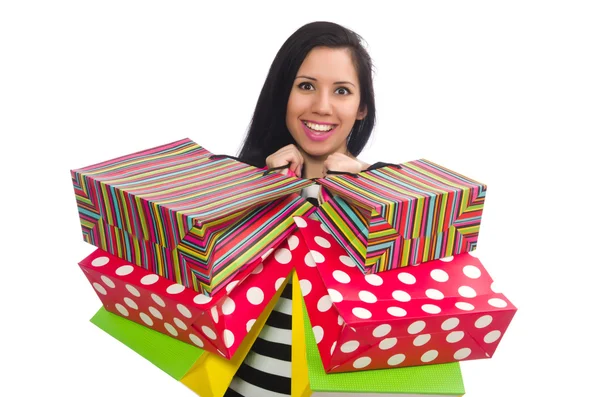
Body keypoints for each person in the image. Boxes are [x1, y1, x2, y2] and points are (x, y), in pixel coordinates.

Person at [225, 21, 377, 397]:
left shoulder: (396, 203)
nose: (321, 107)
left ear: (361, 109)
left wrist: (368, 192)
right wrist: (261, 189)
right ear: (284, 97)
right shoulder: (234, 188)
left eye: (341, 91)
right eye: (306, 86)